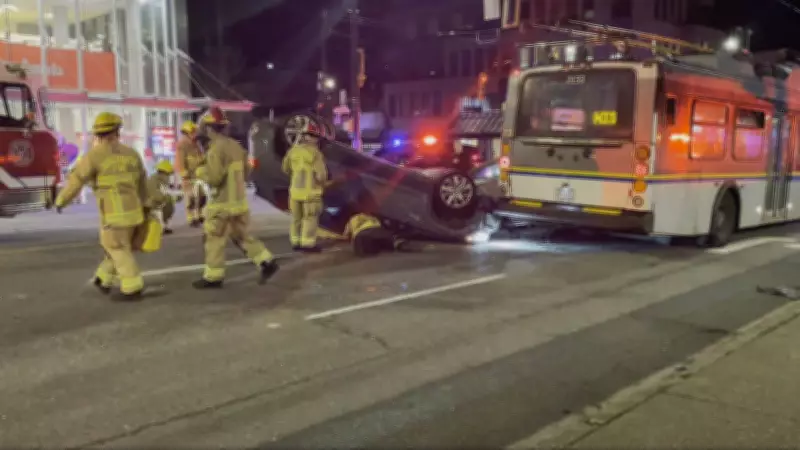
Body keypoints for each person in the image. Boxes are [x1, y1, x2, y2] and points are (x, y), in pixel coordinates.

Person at [54, 112, 148, 300]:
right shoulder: (132, 154)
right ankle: (103, 277)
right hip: (134, 213)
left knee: (118, 248)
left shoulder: (94, 156)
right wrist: (147, 207)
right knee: (115, 246)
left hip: (114, 215)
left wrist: (61, 201)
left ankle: (132, 286)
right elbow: (143, 184)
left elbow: (76, 181)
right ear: (117, 131)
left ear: (97, 134)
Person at [192, 107, 279, 289]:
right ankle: (266, 260)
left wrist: (199, 170)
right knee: (242, 237)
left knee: (214, 240)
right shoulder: (236, 146)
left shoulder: (215, 149)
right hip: (239, 203)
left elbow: (214, 178)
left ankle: (213, 276)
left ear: (208, 128)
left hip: (221, 205)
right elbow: (248, 171)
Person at [282, 121, 328, 252]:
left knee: (296, 219)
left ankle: (295, 242)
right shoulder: (315, 153)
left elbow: (285, 168)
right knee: (310, 219)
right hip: (310, 194)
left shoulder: (293, 151)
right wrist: (323, 183)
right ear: (314, 137)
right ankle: (308, 243)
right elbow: (321, 176)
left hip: (295, 192)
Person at [175, 120, 205, 227]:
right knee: (191, 198)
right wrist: (184, 175)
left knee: (202, 196)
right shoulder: (182, 144)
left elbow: (201, 157)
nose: (195, 133)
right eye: (193, 131)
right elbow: (179, 161)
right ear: (187, 132)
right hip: (188, 176)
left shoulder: (196, 144)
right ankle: (191, 217)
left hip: (199, 175)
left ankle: (200, 215)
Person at [343, 212, 413, 257]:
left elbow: (346, 235)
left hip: (359, 236)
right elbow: (381, 225)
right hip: (373, 230)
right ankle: (397, 243)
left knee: (365, 252)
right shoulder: (370, 217)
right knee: (387, 239)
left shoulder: (350, 221)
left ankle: (369, 250)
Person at [147, 159, 182, 234]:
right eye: (168, 174)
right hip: (151, 204)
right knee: (158, 211)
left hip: (160, 203)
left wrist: (175, 196)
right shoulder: (153, 179)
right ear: (163, 172)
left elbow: (166, 192)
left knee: (169, 207)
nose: (169, 176)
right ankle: (159, 227)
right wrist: (169, 198)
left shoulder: (163, 180)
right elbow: (155, 195)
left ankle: (164, 225)